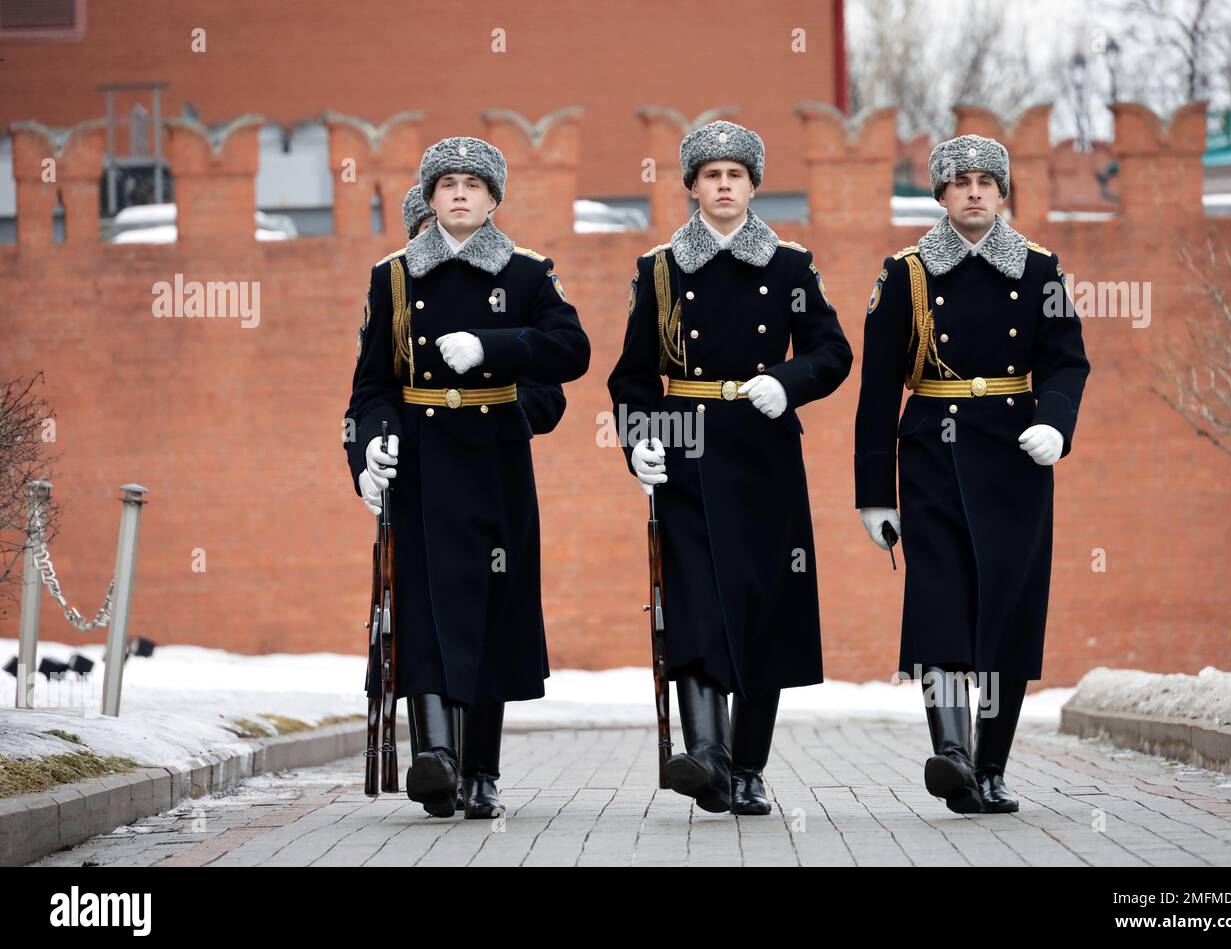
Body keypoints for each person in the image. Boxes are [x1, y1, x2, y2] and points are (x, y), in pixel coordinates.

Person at [607, 120, 852, 814]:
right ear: (690, 186)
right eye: (710, 175)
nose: (723, 185)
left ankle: (747, 767)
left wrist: (790, 380)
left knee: (762, 613)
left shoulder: (789, 267)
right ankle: (707, 756)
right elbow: (631, 379)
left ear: (752, 186)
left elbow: (833, 353)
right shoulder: (659, 270)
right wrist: (640, 442)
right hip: (685, 452)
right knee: (694, 606)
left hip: (763, 451)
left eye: (735, 175)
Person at [344, 138, 590, 819]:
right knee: (420, 607)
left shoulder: (529, 273)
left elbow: (570, 355)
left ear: (492, 199)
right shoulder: (392, 278)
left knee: (490, 616)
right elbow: (370, 390)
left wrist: (494, 348)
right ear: (428, 197)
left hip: (494, 465)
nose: (458, 193)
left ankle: (480, 769)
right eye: (445, 183)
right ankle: (436, 757)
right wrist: (368, 454)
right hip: (421, 464)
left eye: (472, 185)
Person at [853, 134, 1090, 813]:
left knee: (1009, 610)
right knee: (940, 601)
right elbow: (877, 390)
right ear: (942, 195)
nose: (976, 191)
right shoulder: (907, 274)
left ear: (1004, 191)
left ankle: (991, 767)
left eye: (988, 181)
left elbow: (1068, 361)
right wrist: (874, 494)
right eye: (961, 182)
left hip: (1017, 455)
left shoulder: (1041, 269)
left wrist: (1055, 421)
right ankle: (952, 753)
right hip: (932, 453)